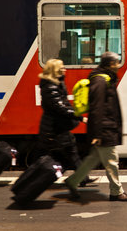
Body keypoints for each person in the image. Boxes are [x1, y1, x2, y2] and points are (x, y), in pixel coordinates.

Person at [65, 52, 127, 201]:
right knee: (112, 162)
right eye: (116, 63)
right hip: (104, 129)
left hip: (105, 127)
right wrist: (97, 134)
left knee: (93, 159)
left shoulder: (105, 79)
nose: (118, 66)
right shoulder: (100, 81)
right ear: (110, 64)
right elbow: (97, 109)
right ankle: (117, 192)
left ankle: (72, 181)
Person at [35, 58, 96, 187]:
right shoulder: (50, 86)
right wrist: (80, 117)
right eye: (62, 68)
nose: (65, 69)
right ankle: (37, 180)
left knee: (70, 152)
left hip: (58, 126)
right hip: (54, 127)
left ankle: (82, 178)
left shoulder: (54, 84)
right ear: (56, 70)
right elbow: (60, 107)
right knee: (62, 155)